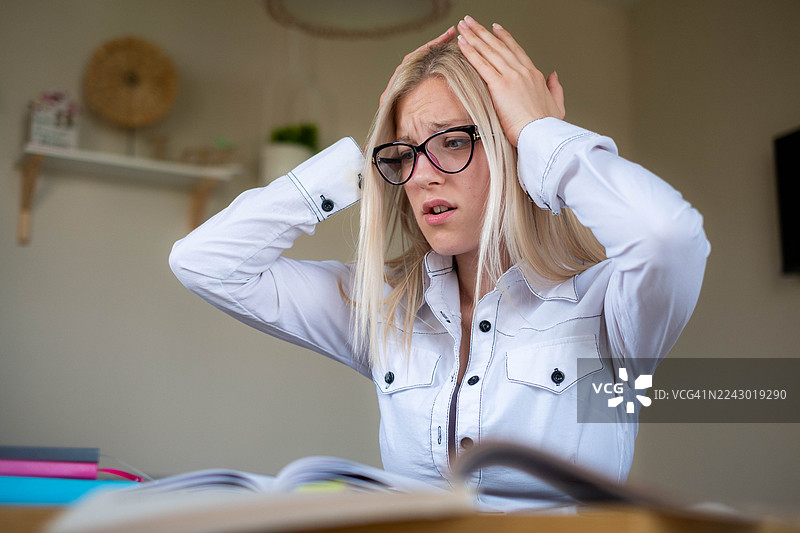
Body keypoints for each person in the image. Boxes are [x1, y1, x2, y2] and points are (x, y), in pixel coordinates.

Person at [169, 16, 709, 511]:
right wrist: (365, 157)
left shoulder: (607, 309)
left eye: (452, 142)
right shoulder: (386, 310)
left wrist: (541, 133)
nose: (423, 174)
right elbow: (203, 262)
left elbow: (666, 235)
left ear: (513, 150)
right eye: (406, 153)